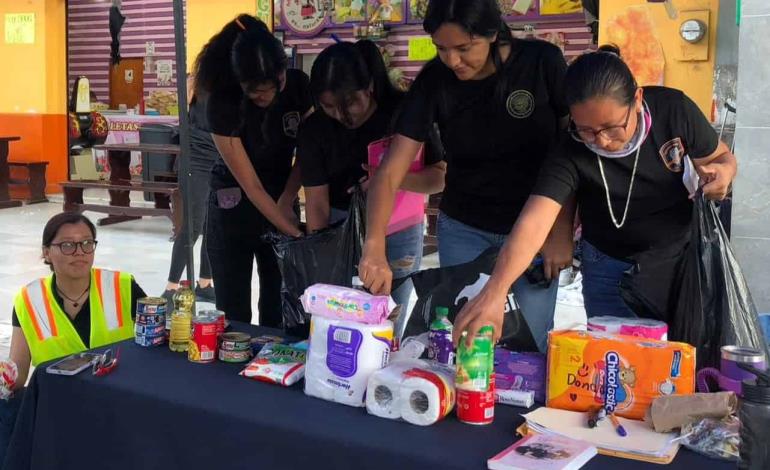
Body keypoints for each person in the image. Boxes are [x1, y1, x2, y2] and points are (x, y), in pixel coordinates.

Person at [453, 46, 737, 344]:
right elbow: (534, 221)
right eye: (586, 130)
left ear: (637, 100)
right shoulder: (569, 149)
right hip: (606, 265)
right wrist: (495, 292)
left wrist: (724, 173)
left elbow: (721, 157)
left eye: (611, 128)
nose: (601, 141)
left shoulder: (674, 111)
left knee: (678, 362)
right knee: (613, 364)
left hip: (678, 265)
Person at [358, 0, 574, 351]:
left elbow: (570, 151)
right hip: (464, 227)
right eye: (441, 49)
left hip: (534, 227)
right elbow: (389, 173)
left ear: (491, 33)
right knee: (464, 339)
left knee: (529, 344)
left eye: (463, 48)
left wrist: (562, 231)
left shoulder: (541, 63)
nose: (452, 61)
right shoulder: (434, 81)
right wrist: (374, 245)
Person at [297, 40, 445, 308]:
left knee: (387, 317)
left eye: (351, 103)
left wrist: (388, 179)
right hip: (340, 227)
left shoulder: (405, 112)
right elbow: (317, 202)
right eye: (329, 106)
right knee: (340, 313)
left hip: (400, 227)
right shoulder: (315, 129)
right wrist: (322, 256)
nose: (342, 115)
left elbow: (439, 178)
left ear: (370, 87)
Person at [194, 15, 311, 326]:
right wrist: (292, 231)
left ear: (283, 72)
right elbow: (251, 186)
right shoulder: (223, 101)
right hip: (234, 203)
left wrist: (287, 199)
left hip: (280, 192)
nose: (261, 97)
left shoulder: (299, 87)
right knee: (234, 313)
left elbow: (310, 150)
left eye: (268, 88)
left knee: (279, 304)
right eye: (252, 90)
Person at [2, 212, 145, 460]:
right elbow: (18, 372)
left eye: (87, 243)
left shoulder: (122, 285)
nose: (80, 251)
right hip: (57, 405)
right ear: (47, 252)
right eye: (67, 245)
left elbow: (157, 337)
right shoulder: (28, 299)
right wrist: (5, 378)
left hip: (119, 401)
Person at [162, 76, 216, 304]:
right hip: (196, 160)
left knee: (213, 225)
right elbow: (184, 112)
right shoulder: (198, 83)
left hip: (219, 159)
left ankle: (205, 283)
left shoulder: (229, 89)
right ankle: (171, 288)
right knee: (192, 225)